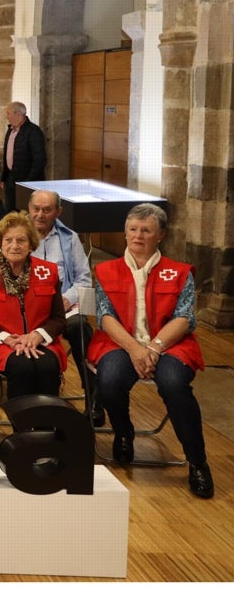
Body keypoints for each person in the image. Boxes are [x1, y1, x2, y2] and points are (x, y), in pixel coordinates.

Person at [88, 204, 213, 498]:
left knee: (174, 384)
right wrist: (135, 349)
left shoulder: (180, 273)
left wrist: (154, 348)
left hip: (169, 344)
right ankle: (123, 431)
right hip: (121, 343)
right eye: (132, 229)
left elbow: (185, 318)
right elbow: (105, 318)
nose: (138, 235)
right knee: (108, 381)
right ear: (125, 233)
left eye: (146, 230)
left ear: (161, 235)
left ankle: (197, 462)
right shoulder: (106, 271)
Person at [0, 212, 66, 399]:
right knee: (22, 366)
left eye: (21, 240)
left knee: (48, 366)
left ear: (31, 245)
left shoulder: (48, 272)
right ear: (0, 242)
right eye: (8, 240)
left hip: (40, 342)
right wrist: (6, 338)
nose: (14, 246)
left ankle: (48, 424)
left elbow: (59, 318)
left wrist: (37, 335)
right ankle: (22, 426)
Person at [28, 188, 99, 424]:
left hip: (64, 307)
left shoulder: (70, 238)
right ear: (29, 209)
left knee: (81, 328)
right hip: (27, 310)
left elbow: (83, 279)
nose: (40, 215)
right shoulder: (17, 234)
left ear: (58, 211)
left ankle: (94, 399)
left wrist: (66, 299)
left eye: (47, 210)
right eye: (36, 209)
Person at [0, 101, 47, 210]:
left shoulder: (33, 131)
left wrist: (28, 182)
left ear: (18, 114)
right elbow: (7, 154)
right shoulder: (10, 130)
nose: (7, 117)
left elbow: (40, 160)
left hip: (27, 182)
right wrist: (4, 177)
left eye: (8, 113)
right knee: (10, 213)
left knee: (25, 214)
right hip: (11, 180)